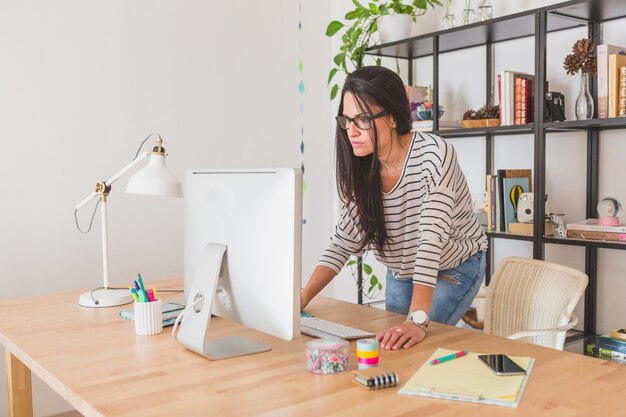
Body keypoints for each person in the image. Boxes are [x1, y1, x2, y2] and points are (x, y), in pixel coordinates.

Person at [300, 66, 488, 351]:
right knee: (394, 347)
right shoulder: (362, 168)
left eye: (362, 120)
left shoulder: (434, 155)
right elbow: (342, 242)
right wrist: (300, 299)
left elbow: (430, 242)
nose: (351, 131)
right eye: (346, 120)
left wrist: (417, 320)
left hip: (454, 265)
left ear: (390, 117)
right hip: (402, 270)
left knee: (414, 342)